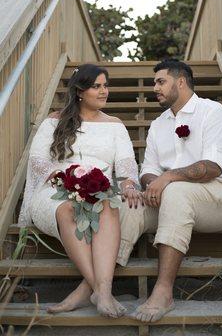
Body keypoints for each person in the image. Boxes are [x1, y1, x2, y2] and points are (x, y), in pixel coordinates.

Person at [122, 59, 222, 322]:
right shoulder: (158, 124)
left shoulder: (213, 112)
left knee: (177, 192)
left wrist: (167, 178)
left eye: (160, 81)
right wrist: (151, 184)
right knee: (130, 205)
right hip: (173, 200)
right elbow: (148, 169)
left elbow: (212, 168)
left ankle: (163, 291)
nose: (154, 87)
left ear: (181, 82)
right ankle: (98, 284)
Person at [18, 63, 142, 318]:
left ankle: (102, 292)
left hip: (99, 189)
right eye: (96, 86)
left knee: (109, 204)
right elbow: (38, 160)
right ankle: (99, 289)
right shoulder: (53, 122)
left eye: (105, 85)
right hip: (56, 191)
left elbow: (127, 165)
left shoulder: (115, 125)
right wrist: (64, 179)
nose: (104, 91)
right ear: (80, 91)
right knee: (67, 208)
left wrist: (129, 184)